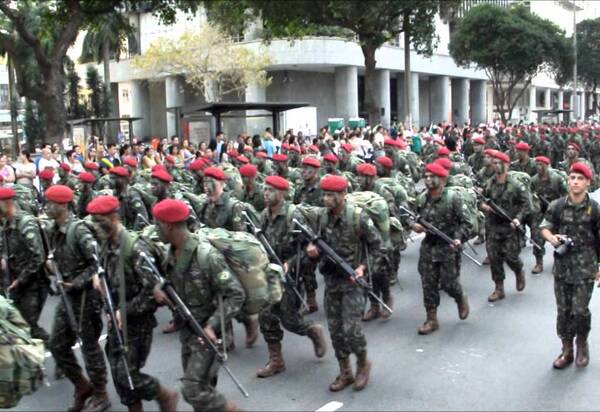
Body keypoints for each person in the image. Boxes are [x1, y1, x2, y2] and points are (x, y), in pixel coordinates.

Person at [151, 199, 245, 412]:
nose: (155, 229)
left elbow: (235, 294)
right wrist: (158, 288)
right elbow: (168, 281)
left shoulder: (206, 256)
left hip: (209, 334)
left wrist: (212, 325)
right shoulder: (171, 252)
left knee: (192, 389)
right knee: (202, 393)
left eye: (157, 224)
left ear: (169, 226)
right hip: (188, 332)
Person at [88, 195, 178, 412]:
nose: (96, 227)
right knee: (120, 370)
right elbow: (103, 270)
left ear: (113, 217)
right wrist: (97, 278)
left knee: (125, 372)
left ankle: (163, 394)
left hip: (138, 321)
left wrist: (125, 311)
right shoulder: (106, 243)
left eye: (99, 221)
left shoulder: (135, 249)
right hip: (117, 317)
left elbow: (154, 292)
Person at [306, 175, 381, 392]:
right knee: (336, 330)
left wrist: (363, 268)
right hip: (332, 281)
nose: (326, 199)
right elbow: (316, 240)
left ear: (343, 196)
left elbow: (378, 247)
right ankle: (345, 371)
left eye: (331, 195)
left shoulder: (358, 217)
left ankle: (362, 363)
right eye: (325, 194)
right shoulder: (322, 217)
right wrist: (312, 249)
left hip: (353, 281)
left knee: (352, 329)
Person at [43, 185, 111, 412]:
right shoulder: (55, 229)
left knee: (90, 347)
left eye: (51, 203)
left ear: (62, 205)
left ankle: (101, 393)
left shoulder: (79, 230)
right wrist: (51, 264)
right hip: (68, 295)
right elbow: (54, 255)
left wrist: (77, 282)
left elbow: (99, 263)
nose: (47, 207)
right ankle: (82, 386)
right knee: (57, 345)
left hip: (85, 297)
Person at [254, 175, 326, 378]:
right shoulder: (263, 216)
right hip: (268, 274)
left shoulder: (294, 216)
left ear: (282, 193)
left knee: (289, 320)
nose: (266, 194)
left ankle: (312, 330)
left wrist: (291, 263)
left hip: (290, 276)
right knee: (265, 316)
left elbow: (310, 247)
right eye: (265, 189)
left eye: (270, 190)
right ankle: (276, 361)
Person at [540, 162, 600, 369]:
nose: (575, 182)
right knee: (563, 311)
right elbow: (545, 227)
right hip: (563, 267)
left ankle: (581, 342)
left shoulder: (595, 209)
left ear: (588, 183)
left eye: (580, 179)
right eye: (572, 178)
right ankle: (566, 350)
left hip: (586, 267)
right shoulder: (557, 205)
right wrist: (552, 238)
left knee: (580, 310)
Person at [411, 163, 471, 334]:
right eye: (426, 176)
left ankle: (460, 297)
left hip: (448, 246)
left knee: (449, 283)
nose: (428, 180)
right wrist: (415, 226)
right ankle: (431, 319)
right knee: (428, 283)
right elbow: (412, 217)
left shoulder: (453, 198)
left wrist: (459, 238)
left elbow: (467, 223)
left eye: (432, 177)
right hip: (429, 246)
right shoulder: (422, 198)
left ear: (441, 179)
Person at [479, 150, 532, 302]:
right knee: (494, 258)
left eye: (498, 163)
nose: (495, 166)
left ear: (506, 165)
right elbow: (481, 200)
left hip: (510, 226)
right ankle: (498, 288)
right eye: (494, 163)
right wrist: (484, 206)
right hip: (493, 226)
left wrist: (518, 219)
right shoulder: (490, 183)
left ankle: (518, 270)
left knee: (511, 257)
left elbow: (526, 205)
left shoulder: (516, 184)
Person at [0, 187, 49, 343]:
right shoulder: (7, 224)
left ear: (7, 203)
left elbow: (38, 257)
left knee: (27, 326)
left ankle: (53, 348)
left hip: (34, 284)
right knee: (18, 325)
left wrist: (20, 279)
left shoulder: (25, 223)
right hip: (17, 284)